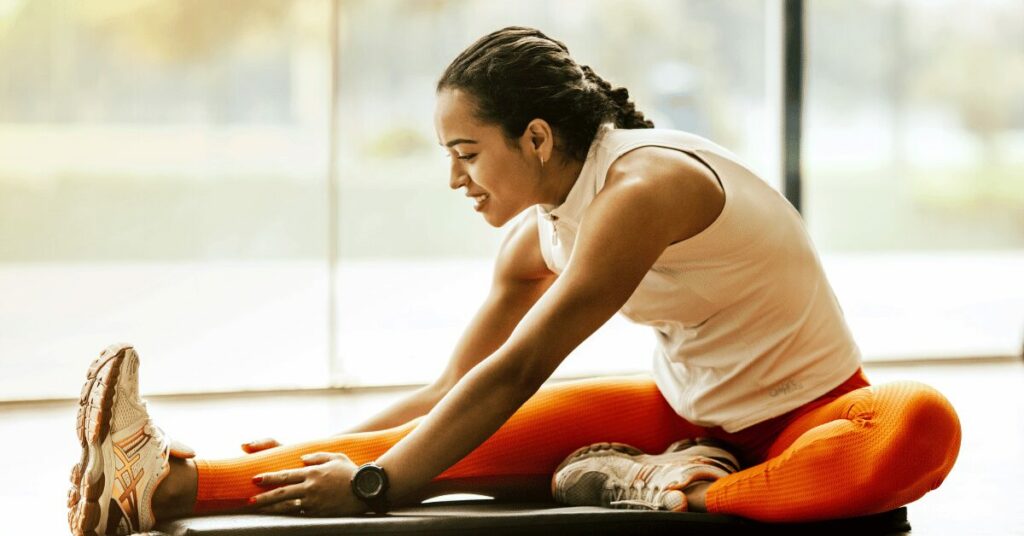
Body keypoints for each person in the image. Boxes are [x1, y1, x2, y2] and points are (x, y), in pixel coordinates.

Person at [67, 26, 961, 536]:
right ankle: (152, 484)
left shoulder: (646, 188)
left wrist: (380, 487)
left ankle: (675, 487)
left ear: (536, 138)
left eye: (468, 154)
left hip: (815, 417)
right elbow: (450, 393)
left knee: (923, 423)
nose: (457, 179)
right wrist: (314, 450)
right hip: (684, 416)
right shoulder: (536, 236)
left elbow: (523, 366)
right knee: (439, 434)